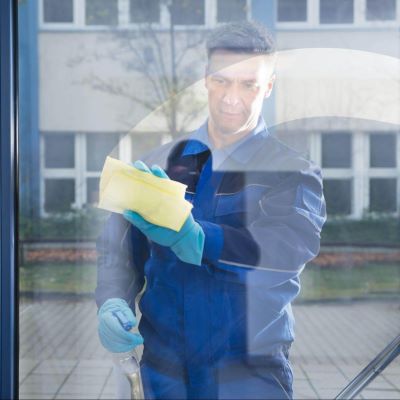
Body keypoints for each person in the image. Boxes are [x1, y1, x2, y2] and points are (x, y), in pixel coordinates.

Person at [95, 21, 326, 400]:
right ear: (205, 78)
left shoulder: (292, 173)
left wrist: (200, 239)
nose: (231, 97)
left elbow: (285, 250)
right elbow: (119, 252)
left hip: (249, 375)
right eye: (221, 80)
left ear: (268, 86)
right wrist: (112, 300)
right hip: (163, 374)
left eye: (248, 84)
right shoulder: (160, 166)